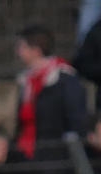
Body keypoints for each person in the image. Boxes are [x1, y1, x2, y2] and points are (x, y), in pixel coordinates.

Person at [13, 24, 90, 165]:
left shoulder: (64, 80)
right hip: (27, 154)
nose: (18, 52)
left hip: (55, 157)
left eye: (22, 47)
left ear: (36, 50)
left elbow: (76, 120)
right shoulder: (26, 81)